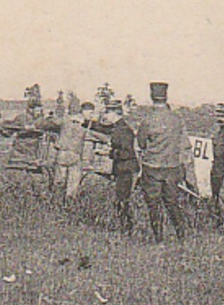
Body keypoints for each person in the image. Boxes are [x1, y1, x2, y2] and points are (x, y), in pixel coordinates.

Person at [134, 81, 188, 242]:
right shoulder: (177, 119)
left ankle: (159, 239)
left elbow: (142, 144)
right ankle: (182, 236)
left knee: (153, 204)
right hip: (172, 167)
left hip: (152, 167)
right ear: (166, 96)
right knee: (172, 202)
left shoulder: (148, 120)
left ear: (152, 97)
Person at [101, 100, 138, 234]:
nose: (105, 116)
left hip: (127, 169)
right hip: (122, 169)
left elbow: (127, 153)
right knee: (121, 200)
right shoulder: (118, 128)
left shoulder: (123, 130)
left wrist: (109, 153)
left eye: (107, 112)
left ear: (115, 113)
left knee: (122, 201)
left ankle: (127, 229)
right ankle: (125, 228)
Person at [53, 101, 96, 201]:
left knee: (59, 182)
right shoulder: (84, 124)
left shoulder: (65, 120)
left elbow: (52, 123)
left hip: (62, 154)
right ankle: (68, 204)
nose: (91, 115)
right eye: (90, 113)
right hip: (74, 155)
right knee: (72, 185)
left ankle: (55, 204)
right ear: (83, 111)